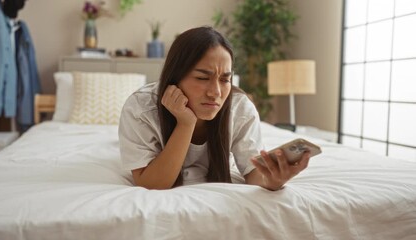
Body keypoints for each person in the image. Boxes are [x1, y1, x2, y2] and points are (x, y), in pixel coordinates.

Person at [118, 26, 310, 190]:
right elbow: (152, 185)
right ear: (174, 78)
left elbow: (254, 175)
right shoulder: (140, 108)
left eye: (225, 79)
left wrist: (274, 180)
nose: (216, 92)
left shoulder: (239, 108)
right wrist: (185, 123)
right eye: (202, 78)